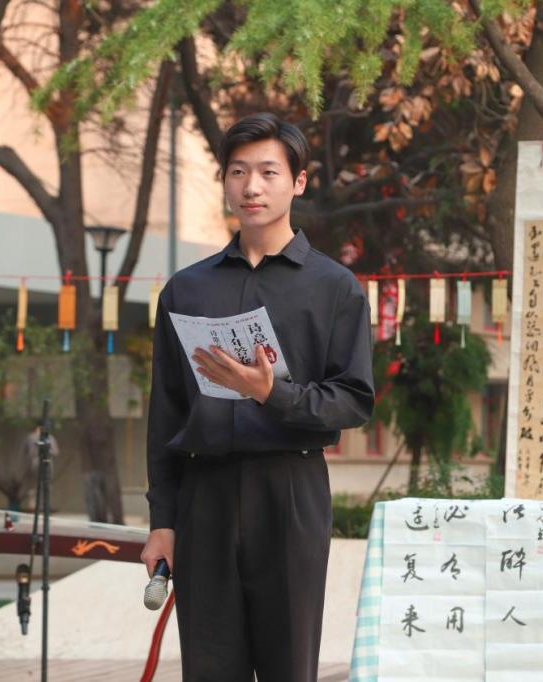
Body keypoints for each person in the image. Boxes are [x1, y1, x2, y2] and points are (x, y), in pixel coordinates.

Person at [139, 112, 375, 682]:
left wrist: (273, 393)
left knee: (288, 664)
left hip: (290, 491)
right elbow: (165, 414)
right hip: (205, 494)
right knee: (208, 665)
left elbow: (353, 401)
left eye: (269, 172)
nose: (252, 187)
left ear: (298, 182)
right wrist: (162, 521)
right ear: (224, 180)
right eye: (238, 171)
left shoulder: (334, 287)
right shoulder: (186, 290)